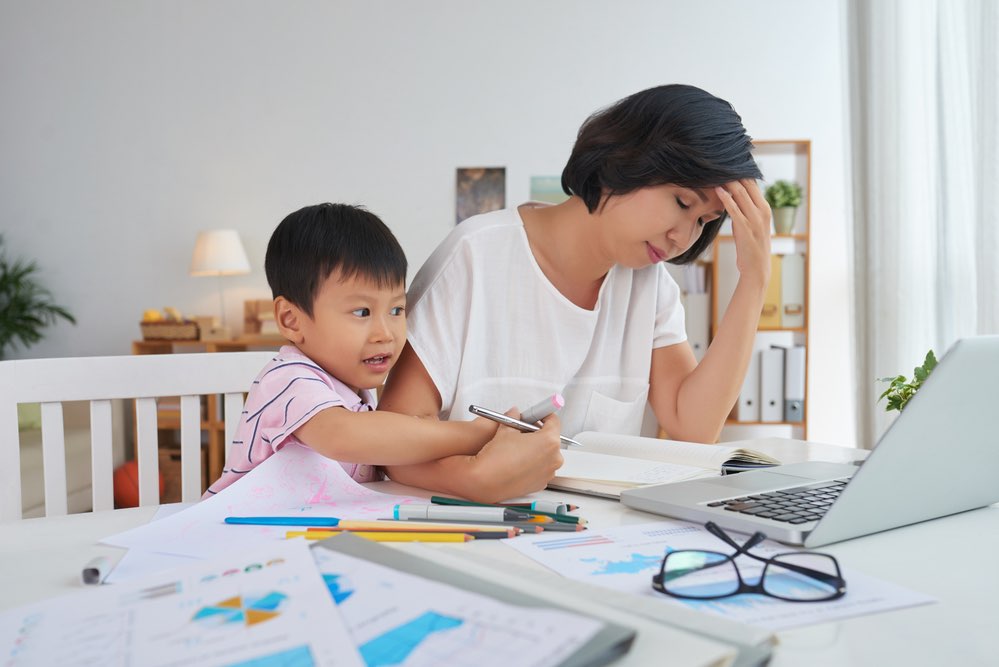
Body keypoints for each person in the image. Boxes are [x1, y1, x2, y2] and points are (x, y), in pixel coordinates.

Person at [379, 84, 770, 501]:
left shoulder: (650, 286)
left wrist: (754, 281)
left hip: (590, 538)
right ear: (625, 161)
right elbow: (391, 438)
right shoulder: (476, 254)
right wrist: (472, 479)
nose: (683, 236)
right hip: (466, 529)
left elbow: (694, 429)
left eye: (705, 220)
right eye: (681, 202)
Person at [203, 203, 555, 497]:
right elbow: (345, 436)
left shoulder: (359, 393)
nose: (385, 333)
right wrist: (474, 433)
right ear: (291, 320)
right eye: (362, 312)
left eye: (397, 310)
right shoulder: (288, 378)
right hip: (231, 533)